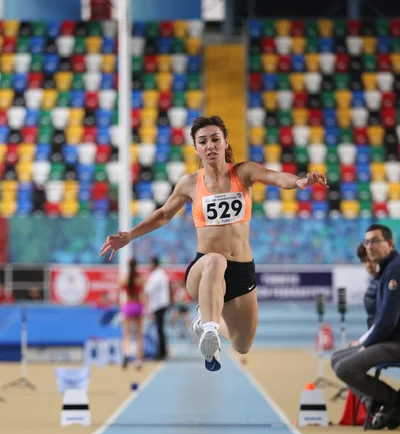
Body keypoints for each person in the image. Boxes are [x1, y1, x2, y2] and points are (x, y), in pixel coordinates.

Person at [100, 114, 327, 371]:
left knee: (243, 345)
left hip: (242, 272)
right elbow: (163, 214)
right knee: (216, 259)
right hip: (204, 268)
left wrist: (299, 181)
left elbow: (276, 178)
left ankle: (207, 321)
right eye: (203, 141)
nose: (210, 145)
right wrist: (130, 235)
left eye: (215, 139)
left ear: (226, 142)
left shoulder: (244, 172)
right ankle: (209, 329)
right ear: (195, 147)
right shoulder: (190, 183)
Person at [331, 224, 400, 429]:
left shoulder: (395, 270)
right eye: (366, 242)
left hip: (395, 341)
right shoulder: (387, 269)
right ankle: (379, 405)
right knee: (336, 358)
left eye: (375, 241)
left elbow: (387, 321)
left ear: (389, 243)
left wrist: (365, 343)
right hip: (389, 339)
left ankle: (394, 402)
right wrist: (365, 342)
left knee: (345, 367)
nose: (369, 246)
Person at [120, 257, 145, 369]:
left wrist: (121, 308)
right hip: (138, 305)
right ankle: (138, 360)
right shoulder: (140, 278)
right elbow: (143, 295)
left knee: (127, 334)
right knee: (139, 335)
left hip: (128, 306)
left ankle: (126, 353)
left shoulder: (124, 278)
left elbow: (120, 292)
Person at [144, 257, 170, 360]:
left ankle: (160, 352)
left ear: (154, 264)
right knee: (160, 329)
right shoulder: (162, 274)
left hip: (158, 305)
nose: (148, 266)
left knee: (158, 329)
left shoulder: (156, 275)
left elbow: (148, 289)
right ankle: (162, 351)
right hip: (161, 304)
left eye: (150, 264)